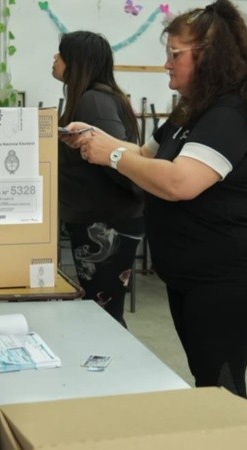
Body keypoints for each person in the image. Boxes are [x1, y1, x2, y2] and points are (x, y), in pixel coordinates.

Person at [61, 0, 247, 398]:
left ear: (209, 57)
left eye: (175, 55)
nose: (167, 64)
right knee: (205, 371)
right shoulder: (193, 109)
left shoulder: (230, 111)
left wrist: (110, 155)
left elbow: (181, 182)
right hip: (194, 270)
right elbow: (147, 155)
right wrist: (96, 137)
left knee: (218, 379)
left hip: (231, 272)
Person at [52, 31, 145, 327]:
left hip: (106, 223)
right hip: (98, 219)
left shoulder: (94, 100)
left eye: (60, 55)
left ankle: (117, 368)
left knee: (104, 311)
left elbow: (118, 159)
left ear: (75, 62)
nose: (54, 59)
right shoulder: (91, 98)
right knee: (101, 306)